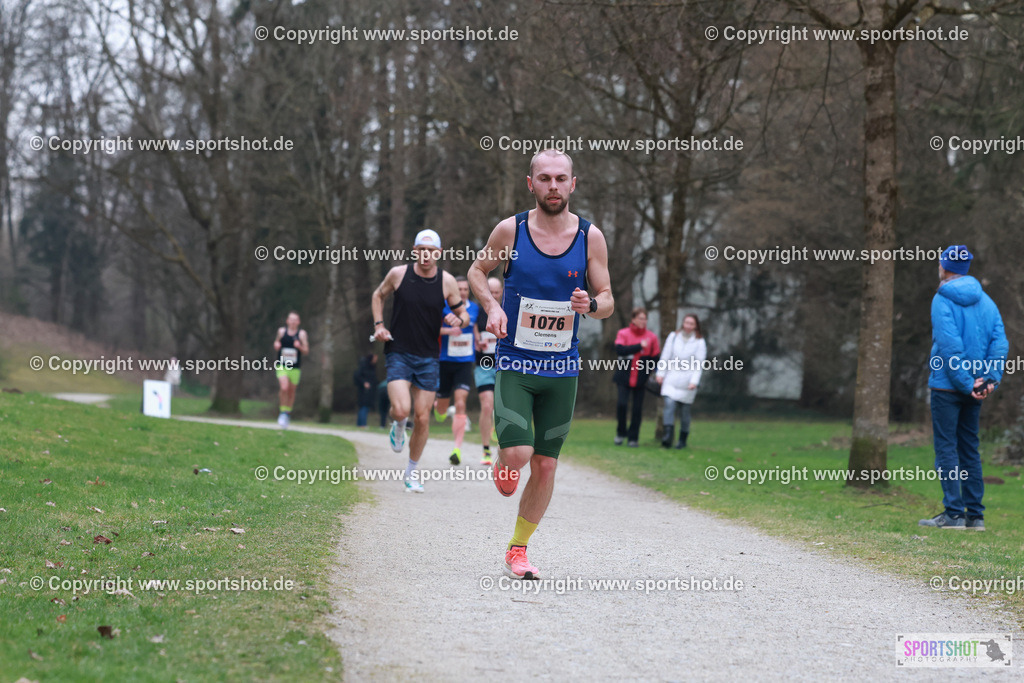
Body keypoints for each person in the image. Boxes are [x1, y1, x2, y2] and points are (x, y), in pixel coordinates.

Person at [469, 148, 613, 579]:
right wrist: (492, 307)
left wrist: (591, 304)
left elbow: (607, 300)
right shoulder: (510, 232)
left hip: (562, 369)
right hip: (516, 361)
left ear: (573, 184)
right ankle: (503, 460)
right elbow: (477, 272)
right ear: (530, 184)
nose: (553, 186)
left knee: (546, 463)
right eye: (545, 178)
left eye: (561, 178)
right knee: (519, 452)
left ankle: (518, 549)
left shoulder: (591, 237)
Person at [371, 229, 469, 493]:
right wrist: (379, 325)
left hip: (428, 357)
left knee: (423, 418)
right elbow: (378, 295)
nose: (426, 256)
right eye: (421, 250)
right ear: (415, 251)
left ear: (438, 253)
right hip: (399, 351)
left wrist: (458, 319)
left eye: (431, 251)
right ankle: (398, 425)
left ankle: (411, 473)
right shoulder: (398, 274)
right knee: (402, 410)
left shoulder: (446, 281)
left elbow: (465, 315)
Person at [919, 245, 1008, 531]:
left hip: (948, 388)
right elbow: (999, 343)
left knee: (947, 448)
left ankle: (953, 515)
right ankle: (976, 516)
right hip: (977, 388)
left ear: (944, 267)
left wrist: (965, 383)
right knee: (970, 448)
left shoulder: (941, 299)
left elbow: (949, 347)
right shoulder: (988, 302)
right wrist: (989, 380)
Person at [433, 276, 479, 465]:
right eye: (459, 289)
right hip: (444, 361)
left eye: (465, 289)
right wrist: (448, 331)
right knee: (441, 409)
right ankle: (439, 409)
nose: (462, 292)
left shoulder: (474, 309)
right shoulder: (443, 307)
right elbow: (429, 329)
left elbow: (473, 327)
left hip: (465, 362)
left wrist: (479, 341)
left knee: (461, 403)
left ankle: (457, 449)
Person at [655, 314, 706, 449]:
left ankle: (682, 440)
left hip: (687, 383)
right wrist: (660, 373)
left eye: (691, 324)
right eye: (686, 323)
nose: (688, 326)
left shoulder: (699, 342)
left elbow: (698, 364)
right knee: (669, 406)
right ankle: (667, 437)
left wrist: (694, 381)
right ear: (683, 323)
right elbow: (665, 356)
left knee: (684, 412)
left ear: (696, 326)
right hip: (671, 379)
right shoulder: (673, 337)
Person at [612, 307, 661, 447]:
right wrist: (639, 346)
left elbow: (655, 358)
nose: (643, 321)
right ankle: (621, 433)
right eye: (640, 318)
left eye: (645, 318)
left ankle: (633, 438)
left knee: (637, 409)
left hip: (641, 378)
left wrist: (652, 371)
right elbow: (620, 350)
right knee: (621, 405)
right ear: (633, 319)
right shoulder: (623, 333)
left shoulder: (652, 337)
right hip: (624, 376)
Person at [474, 277, 504, 465]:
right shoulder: (476, 311)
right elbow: (468, 332)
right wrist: (477, 341)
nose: (493, 296)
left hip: (505, 366)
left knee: (502, 408)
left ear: (501, 292)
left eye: (496, 292)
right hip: (483, 364)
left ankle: (502, 449)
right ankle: (486, 450)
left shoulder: (508, 308)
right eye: (490, 292)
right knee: (487, 405)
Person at [273, 311, 309, 428]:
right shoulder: (281, 331)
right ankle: (282, 411)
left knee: (291, 391)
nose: (293, 322)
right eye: (291, 319)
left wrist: (300, 347)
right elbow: (276, 343)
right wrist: (276, 345)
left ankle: (287, 412)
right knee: (284, 387)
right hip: (282, 365)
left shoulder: (302, 334)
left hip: (295, 367)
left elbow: (306, 351)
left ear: (298, 322)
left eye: (295, 320)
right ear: (287, 321)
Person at [353, 353, 378, 428]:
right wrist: (364, 383)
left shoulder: (372, 367)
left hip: (369, 390)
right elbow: (357, 376)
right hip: (363, 391)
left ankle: (360, 424)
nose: (376, 360)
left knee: (365, 407)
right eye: (375, 358)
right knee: (364, 406)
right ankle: (362, 424)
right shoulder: (363, 366)